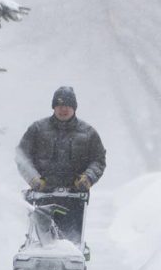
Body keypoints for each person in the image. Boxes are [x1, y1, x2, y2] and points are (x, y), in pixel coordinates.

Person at [15, 86, 106, 244]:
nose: (63, 109)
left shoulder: (88, 133)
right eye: (59, 105)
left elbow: (98, 160)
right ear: (53, 107)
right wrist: (33, 178)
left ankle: (71, 261)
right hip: (43, 197)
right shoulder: (37, 130)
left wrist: (87, 178)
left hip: (74, 199)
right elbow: (22, 156)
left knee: (71, 242)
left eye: (67, 105)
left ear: (74, 108)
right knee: (41, 241)